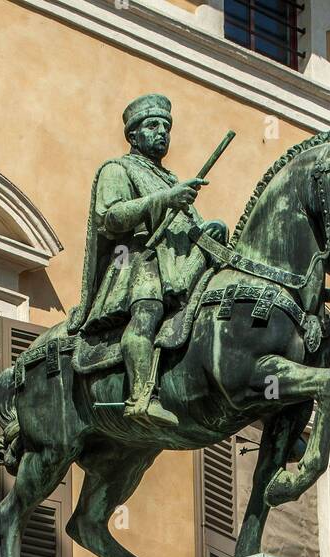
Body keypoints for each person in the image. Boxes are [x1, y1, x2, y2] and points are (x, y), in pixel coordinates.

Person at [68, 94, 227, 424]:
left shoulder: (169, 178)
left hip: (176, 264)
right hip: (135, 262)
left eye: (167, 126)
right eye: (153, 125)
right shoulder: (117, 169)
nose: (162, 132)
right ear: (133, 135)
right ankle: (141, 395)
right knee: (148, 312)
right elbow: (110, 217)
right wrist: (166, 199)